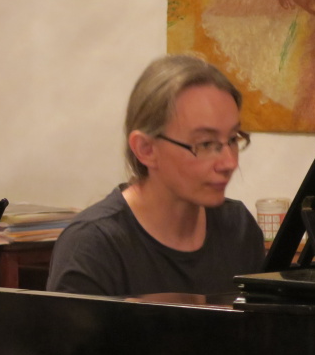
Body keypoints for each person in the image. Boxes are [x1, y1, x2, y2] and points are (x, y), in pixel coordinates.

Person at [47, 53, 265, 297]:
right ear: (146, 149)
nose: (229, 162)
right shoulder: (92, 245)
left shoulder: (239, 229)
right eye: (205, 144)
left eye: (233, 139)